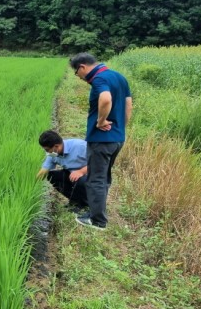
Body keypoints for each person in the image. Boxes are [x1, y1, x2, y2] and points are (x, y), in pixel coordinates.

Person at [70, 52, 132, 230]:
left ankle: (97, 221)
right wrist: (120, 127)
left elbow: (105, 99)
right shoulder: (118, 76)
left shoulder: (99, 79)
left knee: (95, 179)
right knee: (104, 177)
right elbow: (128, 105)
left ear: (82, 67)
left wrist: (101, 121)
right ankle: (98, 211)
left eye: (77, 73)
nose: (79, 77)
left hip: (101, 140)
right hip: (117, 138)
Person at [36, 130, 88, 211]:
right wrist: (32, 184)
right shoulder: (53, 154)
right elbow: (44, 171)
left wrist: (80, 172)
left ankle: (85, 203)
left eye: (47, 150)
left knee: (80, 180)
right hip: (73, 174)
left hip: (89, 174)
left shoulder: (80, 146)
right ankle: (75, 200)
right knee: (52, 176)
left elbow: (99, 162)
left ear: (56, 146)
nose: (46, 152)